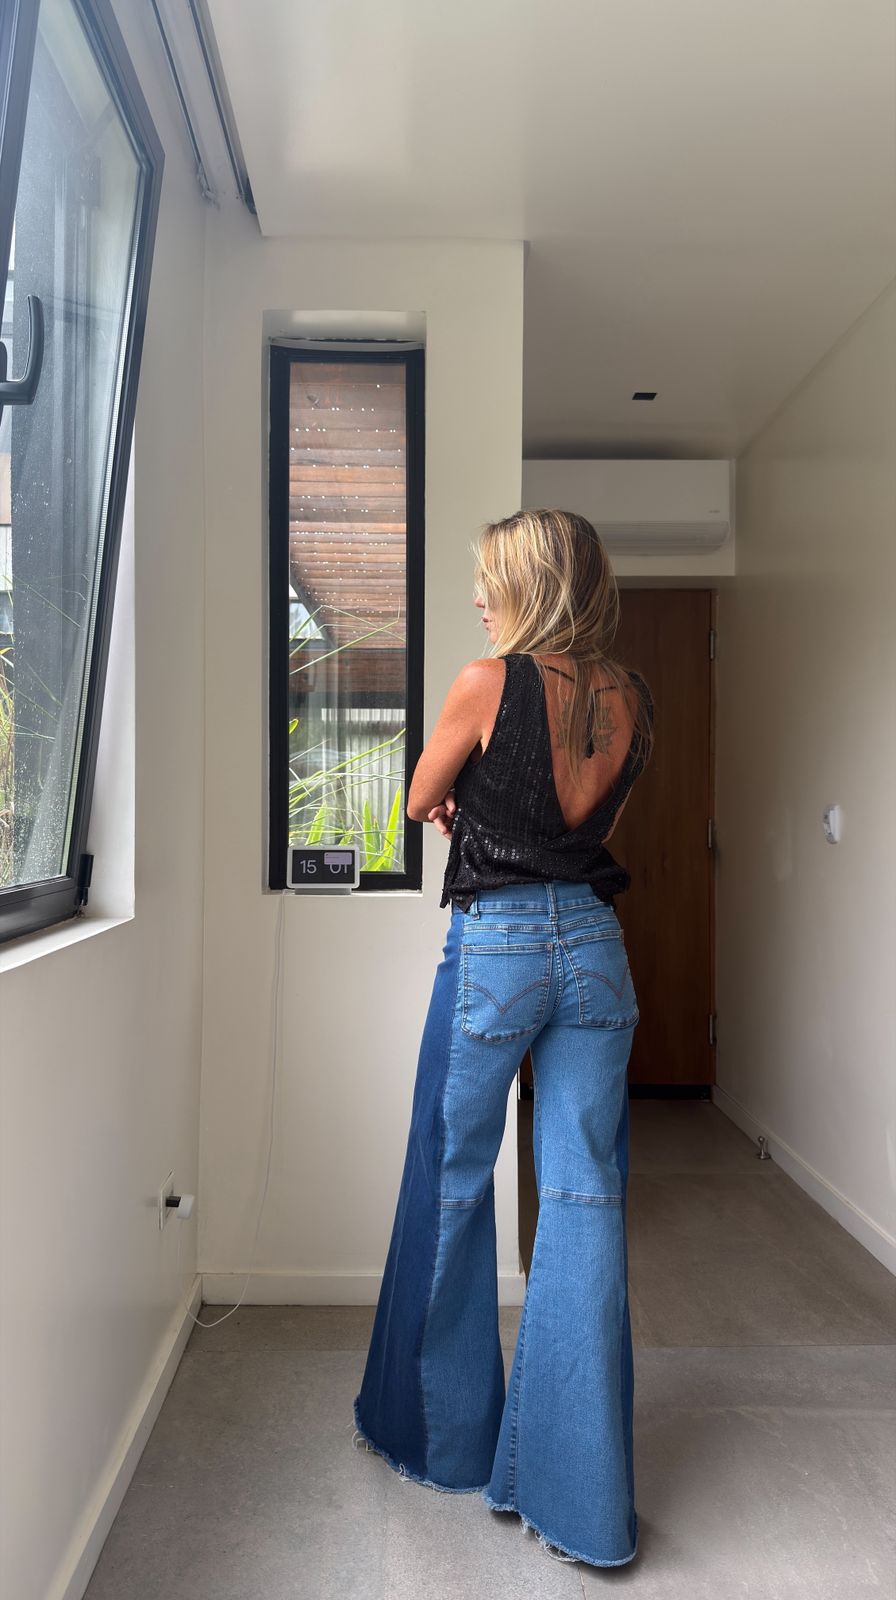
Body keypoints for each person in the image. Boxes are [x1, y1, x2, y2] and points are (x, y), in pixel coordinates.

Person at [351, 508, 656, 1570]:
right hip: (595, 951)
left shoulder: (487, 682)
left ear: (532, 584)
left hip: (499, 948)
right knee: (585, 1198)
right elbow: (585, 830)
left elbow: (418, 798)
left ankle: (443, 1444)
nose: (479, 598)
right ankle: (584, 1508)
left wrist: (457, 809)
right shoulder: (630, 698)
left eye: (491, 580)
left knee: (451, 1179)